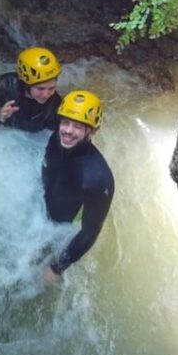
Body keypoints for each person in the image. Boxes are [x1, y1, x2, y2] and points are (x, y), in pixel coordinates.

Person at [42, 90, 115, 283]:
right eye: (65, 123)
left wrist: (57, 267)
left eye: (77, 126)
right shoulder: (55, 141)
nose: (67, 131)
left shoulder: (98, 178)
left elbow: (90, 232)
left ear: (92, 132)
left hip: (66, 227)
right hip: (46, 210)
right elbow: (47, 170)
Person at [0, 47, 63, 132]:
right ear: (26, 84)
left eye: (52, 88)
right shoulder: (3, 86)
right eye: (40, 89)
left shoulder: (54, 104)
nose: (46, 94)